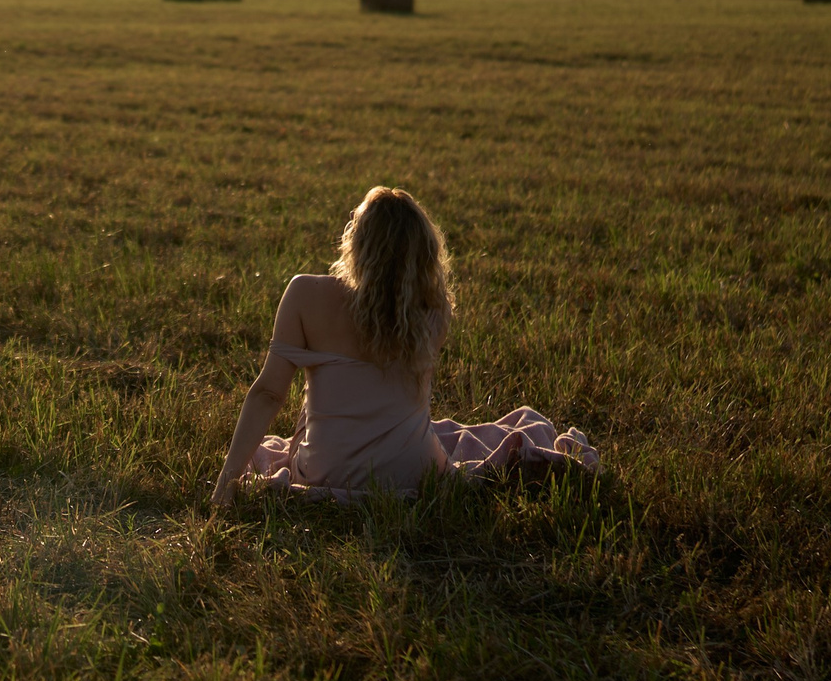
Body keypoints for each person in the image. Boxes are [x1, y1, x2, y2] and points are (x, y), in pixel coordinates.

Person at [210, 187, 599, 508]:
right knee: (452, 435)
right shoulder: (434, 310)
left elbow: (268, 392)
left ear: (356, 244)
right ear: (424, 255)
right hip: (419, 474)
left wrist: (226, 482)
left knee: (281, 443)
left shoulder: (305, 294)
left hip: (326, 471)